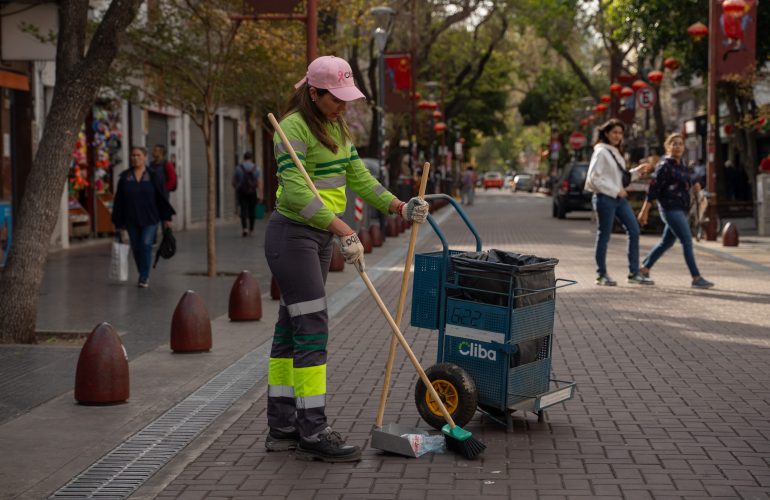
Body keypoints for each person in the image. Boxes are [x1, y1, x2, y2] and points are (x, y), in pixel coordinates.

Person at [265, 55, 429, 463]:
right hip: (292, 236)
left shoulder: (335, 126)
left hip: (319, 239)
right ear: (314, 93)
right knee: (313, 327)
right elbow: (299, 196)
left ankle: (283, 426)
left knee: (291, 330)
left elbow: (358, 177)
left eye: (346, 98)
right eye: (336, 98)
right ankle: (313, 429)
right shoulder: (290, 130)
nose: (343, 106)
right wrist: (346, 230)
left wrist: (398, 206)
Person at [638, 133, 714, 289]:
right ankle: (696, 277)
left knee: (666, 242)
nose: (678, 146)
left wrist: (695, 185)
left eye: (680, 144)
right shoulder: (664, 165)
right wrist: (644, 211)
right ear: (668, 147)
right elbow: (654, 189)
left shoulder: (682, 165)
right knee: (687, 240)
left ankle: (644, 269)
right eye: (674, 143)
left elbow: (686, 181)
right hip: (670, 209)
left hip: (681, 208)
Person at [584, 118, 652, 286]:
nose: (617, 136)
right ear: (606, 133)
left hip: (619, 199)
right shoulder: (600, 152)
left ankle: (634, 273)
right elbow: (593, 179)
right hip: (604, 198)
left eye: (620, 133)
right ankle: (601, 274)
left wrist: (636, 172)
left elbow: (618, 177)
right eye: (614, 132)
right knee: (604, 235)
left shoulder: (614, 151)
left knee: (634, 229)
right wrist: (615, 190)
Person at [112, 147, 175, 288]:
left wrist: (167, 218)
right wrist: (117, 222)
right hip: (131, 219)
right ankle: (143, 272)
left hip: (150, 218)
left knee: (146, 244)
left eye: (138, 155)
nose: (135, 158)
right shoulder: (125, 177)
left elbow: (162, 198)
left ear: (145, 157)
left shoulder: (153, 176)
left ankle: (144, 276)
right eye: (133, 155)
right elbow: (119, 201)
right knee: (136, 247)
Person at [232, 151, 262, 236]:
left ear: (244, 158)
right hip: (252, 192)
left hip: (242, 192)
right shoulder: (256, 168)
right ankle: (251, 229)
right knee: (252, 210)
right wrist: (260, 194)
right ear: (251, 158)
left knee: (243, 210)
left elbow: (233, 181)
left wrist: (237, 188)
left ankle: (244, 228)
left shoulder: (238, 168)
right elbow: (259, 183)